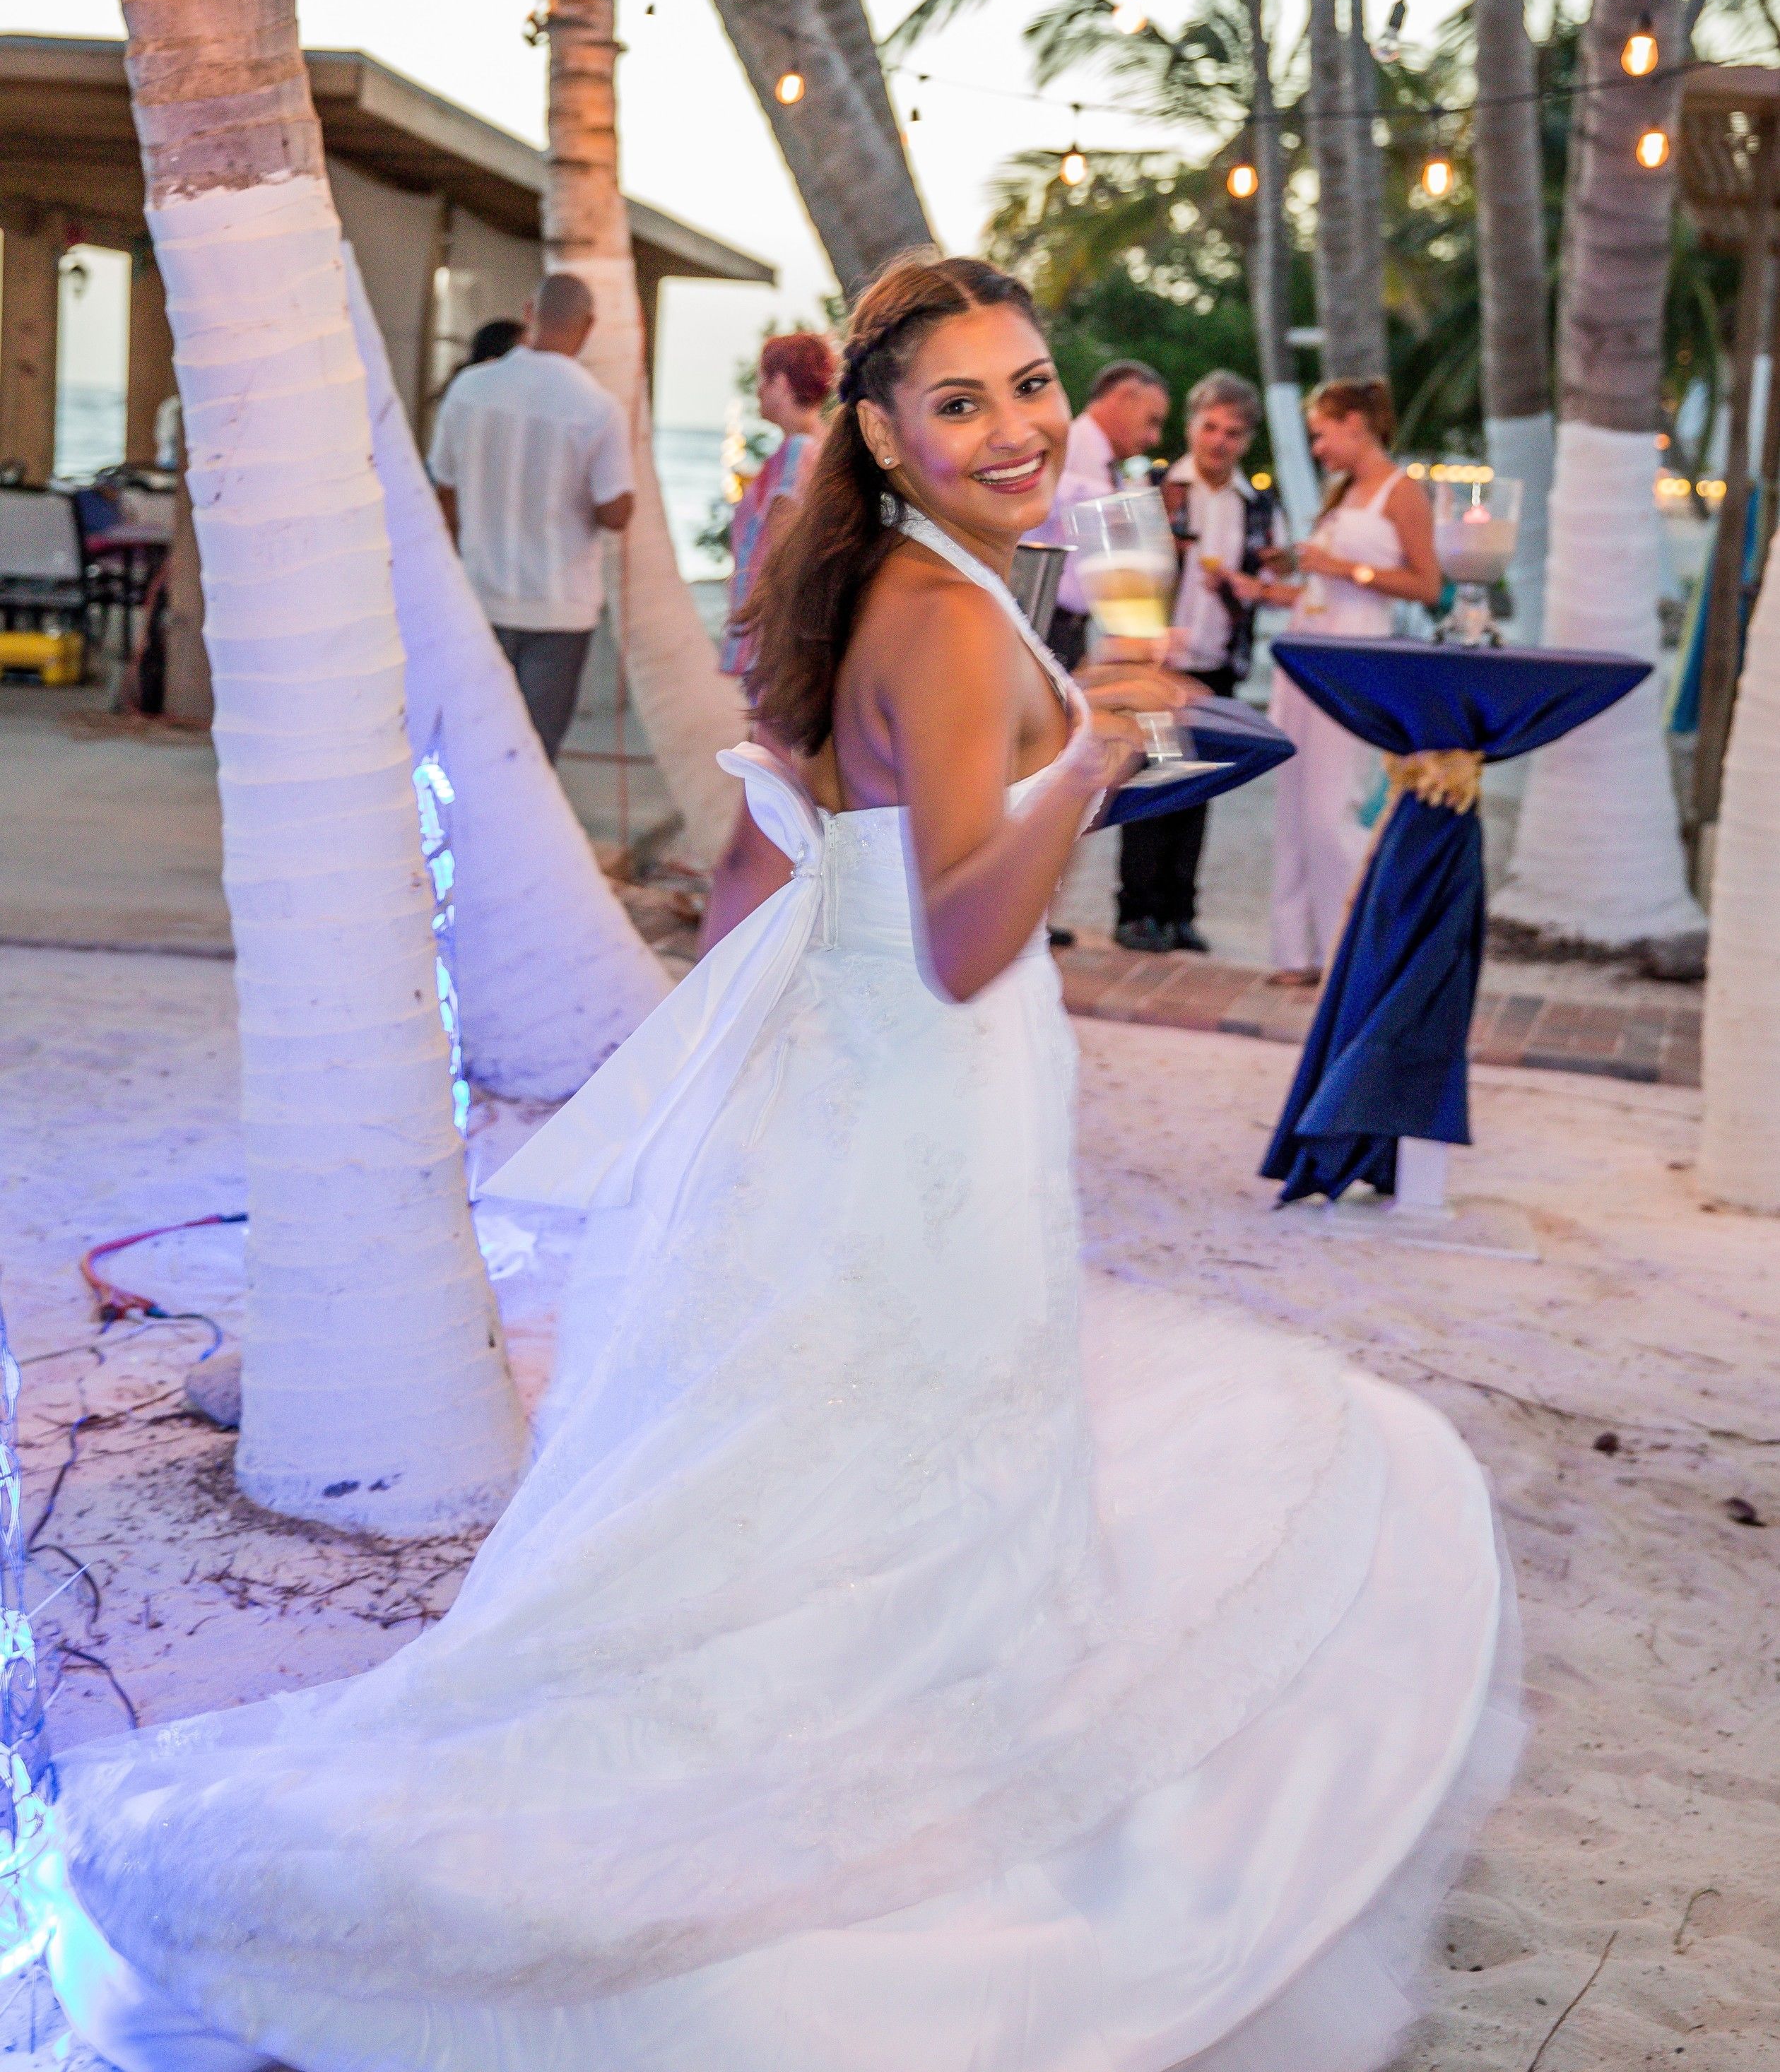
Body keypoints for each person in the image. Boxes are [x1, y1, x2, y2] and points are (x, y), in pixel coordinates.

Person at [33, 260, 1512, 2072]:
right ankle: (896, 1813)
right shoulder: (954, 615)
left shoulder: (883, 581)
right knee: (961, 1438)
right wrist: (1102, 752)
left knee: (840, 1445)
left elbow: (780, 870)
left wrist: (980, 847)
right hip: (930, 1069)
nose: (1018, 425)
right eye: (958, 402)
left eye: (1029, 383)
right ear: (881, 434)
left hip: (853, 1067)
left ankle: (893, 1744)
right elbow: (969, 929)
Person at [1247, 378, 1442, 984]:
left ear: (1355, 423)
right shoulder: (1342, 494)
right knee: (1294, 806)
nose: (1317, 447)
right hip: (1307, 651)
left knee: (1334, 807)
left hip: (1356, 657)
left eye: (1321, 432)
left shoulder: (1399, 491)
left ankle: (1353, 954)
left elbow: (1427, 585)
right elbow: (1316, 589)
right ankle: (1296, 952)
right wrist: (1264, 590)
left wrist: (1346, 568)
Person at [428, 272, 635, 766]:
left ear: (528, 312)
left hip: (481, 597)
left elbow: (443, 491)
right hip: (559, 610)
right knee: (532, 760)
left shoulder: (469, 390)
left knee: (470, 745)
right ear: (587, 326)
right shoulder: (597, 407)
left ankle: (463, 841)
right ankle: (515, 842)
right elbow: (616, 513)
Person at [1115, 371, 1279, 955]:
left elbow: (1272, 578)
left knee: (1198, 791)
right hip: (1157, 664)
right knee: (1148, 784)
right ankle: (1135, 913)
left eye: (1232, 433)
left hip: (1218, 665)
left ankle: (1180, 912)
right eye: (1210, 427)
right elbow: (1121, 574)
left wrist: (1252, 585)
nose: (1219, 441)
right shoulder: (1156, 490)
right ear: (1191, 426)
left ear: (1246, 440)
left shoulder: (1258, 505)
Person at [1032, 355, 1170, 670]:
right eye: (1152, 420)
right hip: (1043, 620)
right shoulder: (1065, 444)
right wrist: (1121, 506)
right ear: (1123, 397)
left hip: (1069, 625)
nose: (1155, 438)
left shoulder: (1106, 463)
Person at [719, 329, 835, 675]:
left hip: (776, 645)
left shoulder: (799, 452)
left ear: (782, 383)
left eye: (763, 380)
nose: (758, 391)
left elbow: (784, 554)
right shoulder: (818, 446)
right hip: (788, 639)